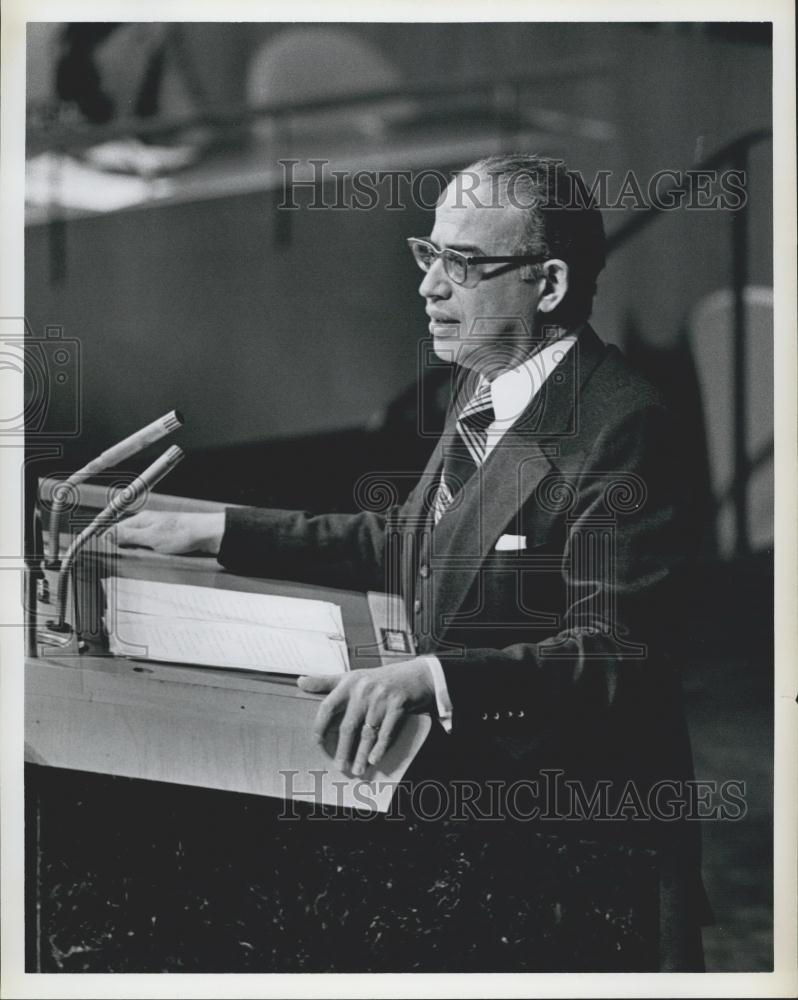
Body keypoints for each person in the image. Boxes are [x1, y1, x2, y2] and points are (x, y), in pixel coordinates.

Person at [114, 154, 707, 970]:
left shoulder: (626, 428)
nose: (430, 287)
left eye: (462, 265)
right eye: (428, 256)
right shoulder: (492, 383)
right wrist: (219, 530)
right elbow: (412, 542)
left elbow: (616, 659)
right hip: (478, 809)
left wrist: (429, 678)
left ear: (551, 283)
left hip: (573, 850)